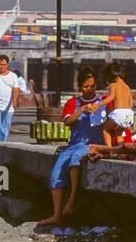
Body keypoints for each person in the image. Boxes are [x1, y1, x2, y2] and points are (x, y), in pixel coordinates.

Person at [37, 67, 108, 225]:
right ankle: (56, 214)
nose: (89, 89)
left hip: (93, 144)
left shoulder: (102, 101)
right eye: (85, 86)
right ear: (79, 86)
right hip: (74, 144)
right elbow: (67, 121)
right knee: (56, 171)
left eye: (92, 86)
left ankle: (71, 202)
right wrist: (82, 109)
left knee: (75, 161)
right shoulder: (73, 103)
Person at [99, 63, 134, 146]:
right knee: (118, 133)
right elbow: (131, 103)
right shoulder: (127, 87)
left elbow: (111, 97)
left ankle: (109, 150)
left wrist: (99, 105)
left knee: (105, 130)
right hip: (129, 114)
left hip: (119, 113)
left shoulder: (113, 85)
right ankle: (120, 151)